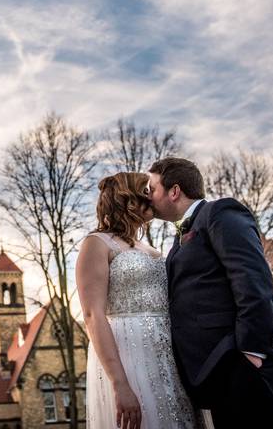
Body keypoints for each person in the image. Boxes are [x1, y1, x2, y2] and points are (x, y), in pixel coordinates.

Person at [146, 157, 273, 429]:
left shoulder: (220, 213)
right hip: (221, 369)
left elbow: (252, 278)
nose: (148, 197)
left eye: (152, 188)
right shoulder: (180, 237)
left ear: (174, 191)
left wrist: (253, 350)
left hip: (249, 362)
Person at [76, 171, 201, 429]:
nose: (152, 197)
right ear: (129, 199)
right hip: (129, 355)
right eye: (146, 191)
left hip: (168, 356)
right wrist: (120, 384)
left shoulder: (151, 250)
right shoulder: (96, 244)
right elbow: (92, 316)